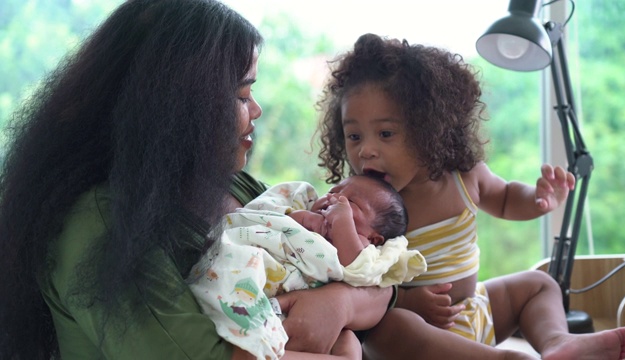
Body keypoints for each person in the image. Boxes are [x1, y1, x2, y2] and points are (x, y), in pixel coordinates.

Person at [0, 1, 380, 358]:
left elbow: (382, 280)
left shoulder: (240, 189)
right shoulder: (98, 225)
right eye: (242, 94)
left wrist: (341, 303)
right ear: (180, 106)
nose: (258, 110)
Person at [315, 33, 625, 359]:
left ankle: (557, 342)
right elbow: (353, 276)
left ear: (428, 129)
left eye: (385, 134)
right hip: (420, 335)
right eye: (354, 136)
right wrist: (405, 300)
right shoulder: (356, 203)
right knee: (384, 327)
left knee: (540, 285)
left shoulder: (464, 177)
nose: (366, 150)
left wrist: (539, 199)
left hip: (477, 312)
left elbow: (507, 198)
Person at [189, 175, 426, 359]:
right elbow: (273, 221)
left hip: (297, 309)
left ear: (374, 238)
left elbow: (356, 269)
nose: (334, 198)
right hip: (266, 282)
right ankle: (255, 342)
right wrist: (301, 218)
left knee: (349, 343)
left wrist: (342, 222)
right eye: (333, 191)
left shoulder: (368, 253)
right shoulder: (305, 212)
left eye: (350, 202)